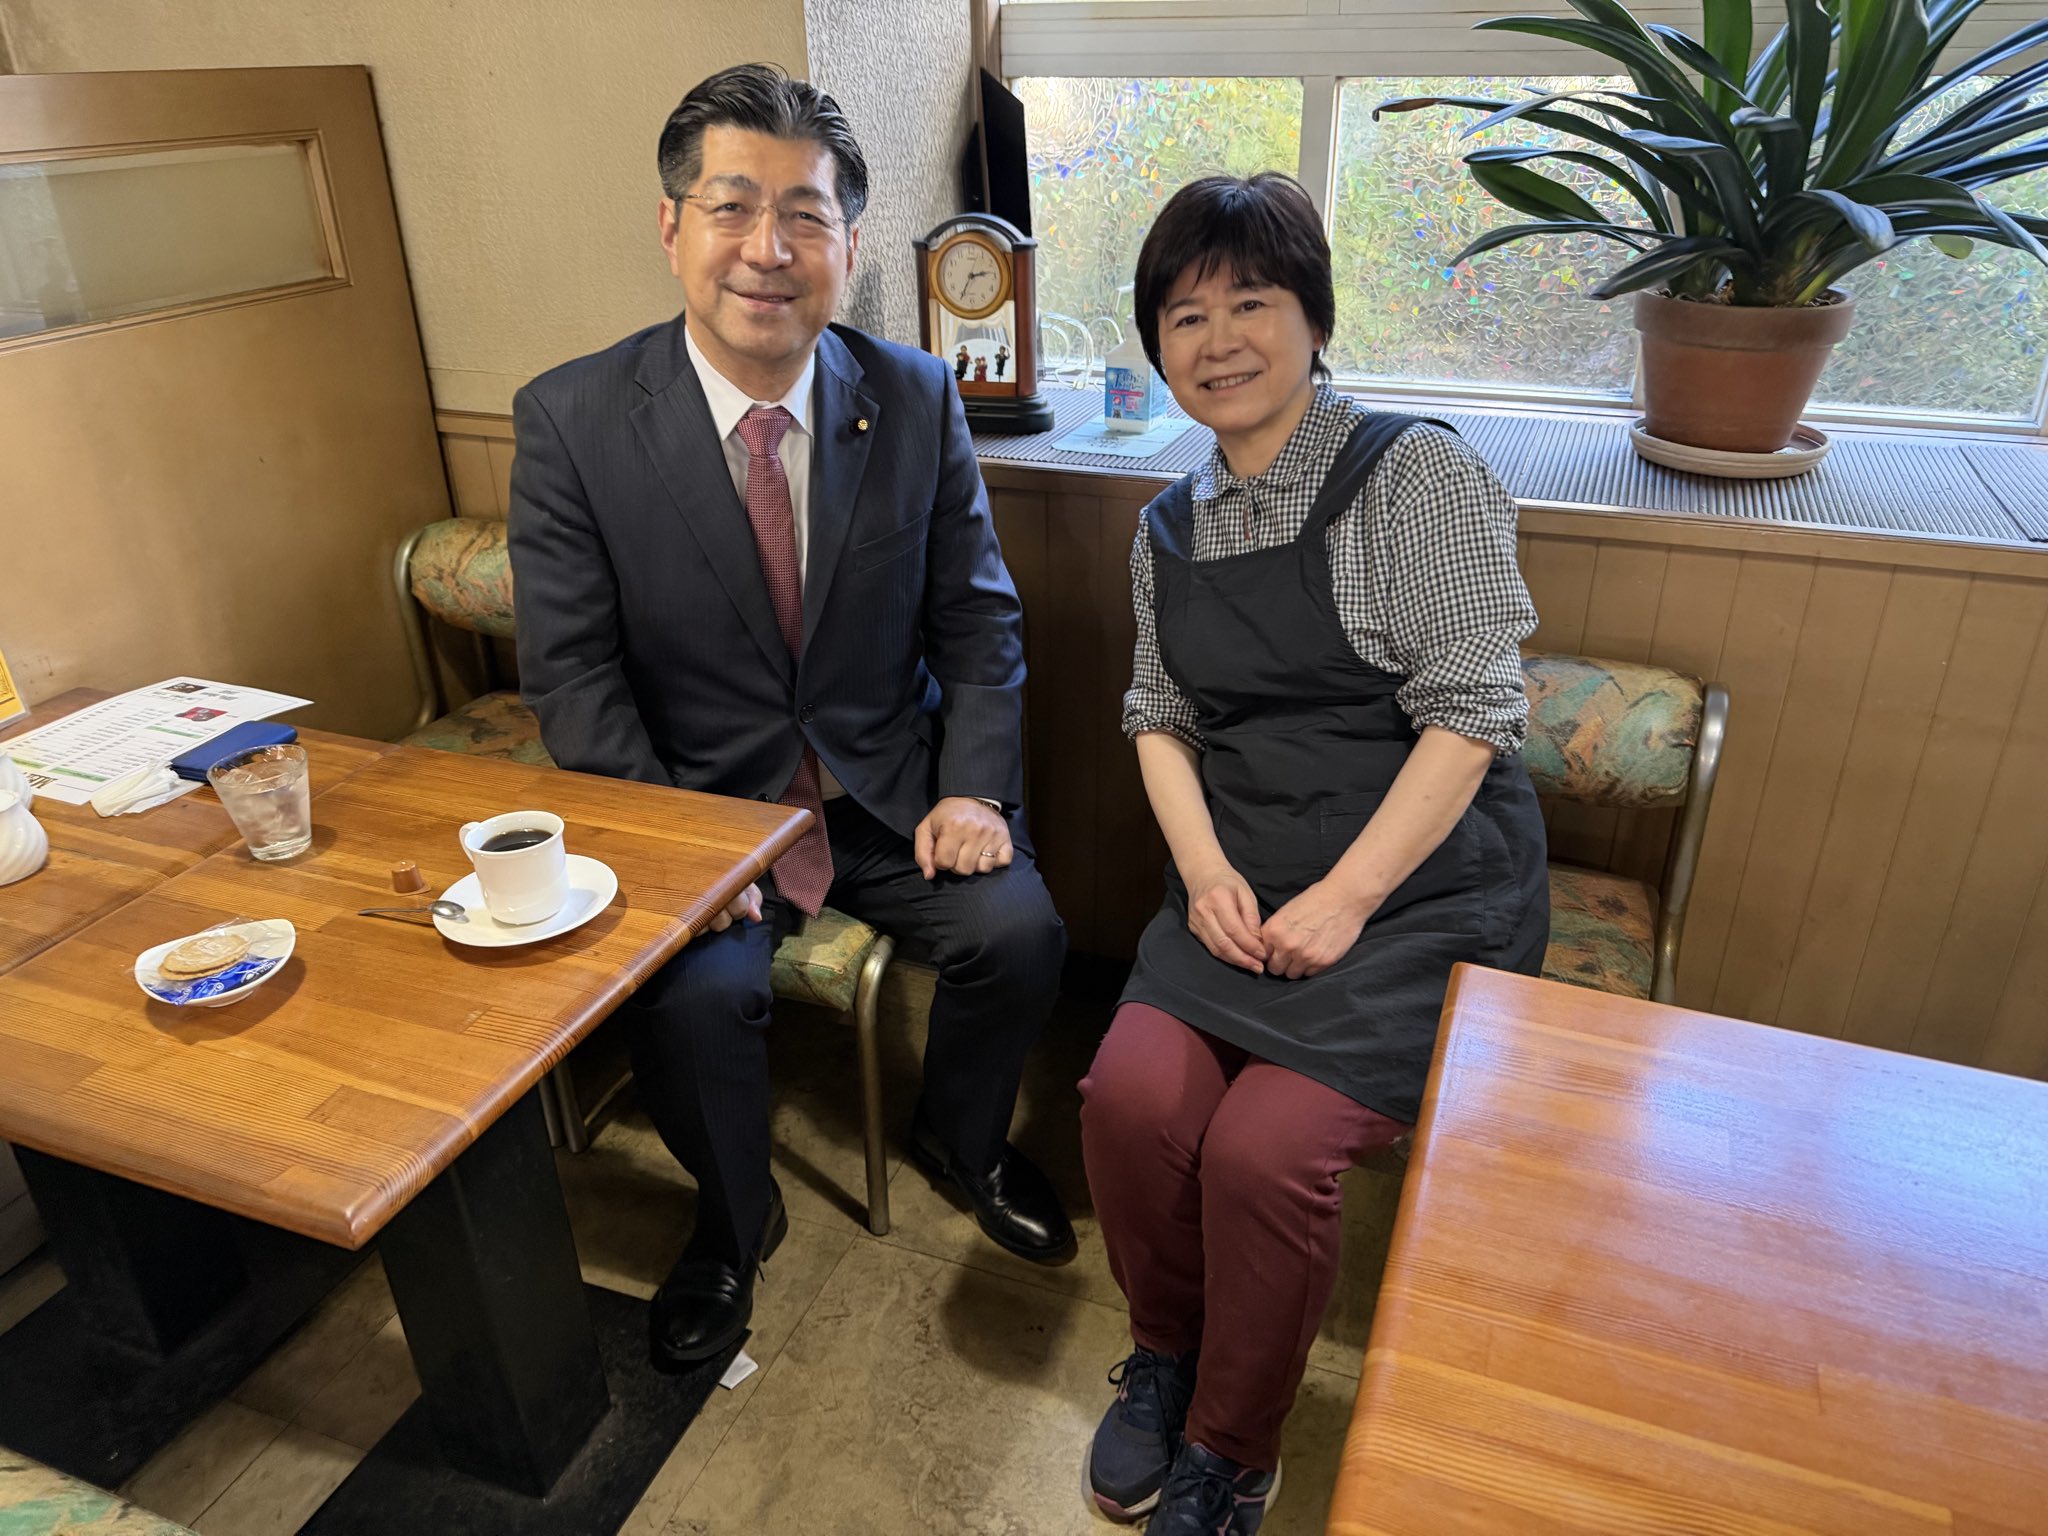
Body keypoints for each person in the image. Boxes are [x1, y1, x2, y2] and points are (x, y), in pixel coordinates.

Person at [508, 63, 1074, 1376]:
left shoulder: (916, 398)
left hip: (886, 791)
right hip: (702, 805)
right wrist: (682, 855)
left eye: (806, 216)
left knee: (1022, 933)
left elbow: (979, 624)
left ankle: (962, 1135)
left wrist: (974, 788)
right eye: (731, 208)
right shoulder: (574, 420)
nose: (768, 250)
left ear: (851, 243)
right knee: (696, 1004)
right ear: (671, 228)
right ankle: (729, 1216)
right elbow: (576, 678)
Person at [1078, 172, 1547, 1534]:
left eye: (1251, 302)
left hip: (1416, 888)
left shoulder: (1417, 474)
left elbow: (1473, 718)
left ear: (1314, 317)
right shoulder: (1167, 527)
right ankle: (1167, 1359)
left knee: (1264, 1151)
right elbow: (1158, 719)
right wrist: (1208, 874)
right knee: (1129, 1098)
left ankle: (1234, 1441)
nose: (1217, 339)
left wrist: (1346, 899)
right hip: (1246, 871)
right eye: (1183, 313)